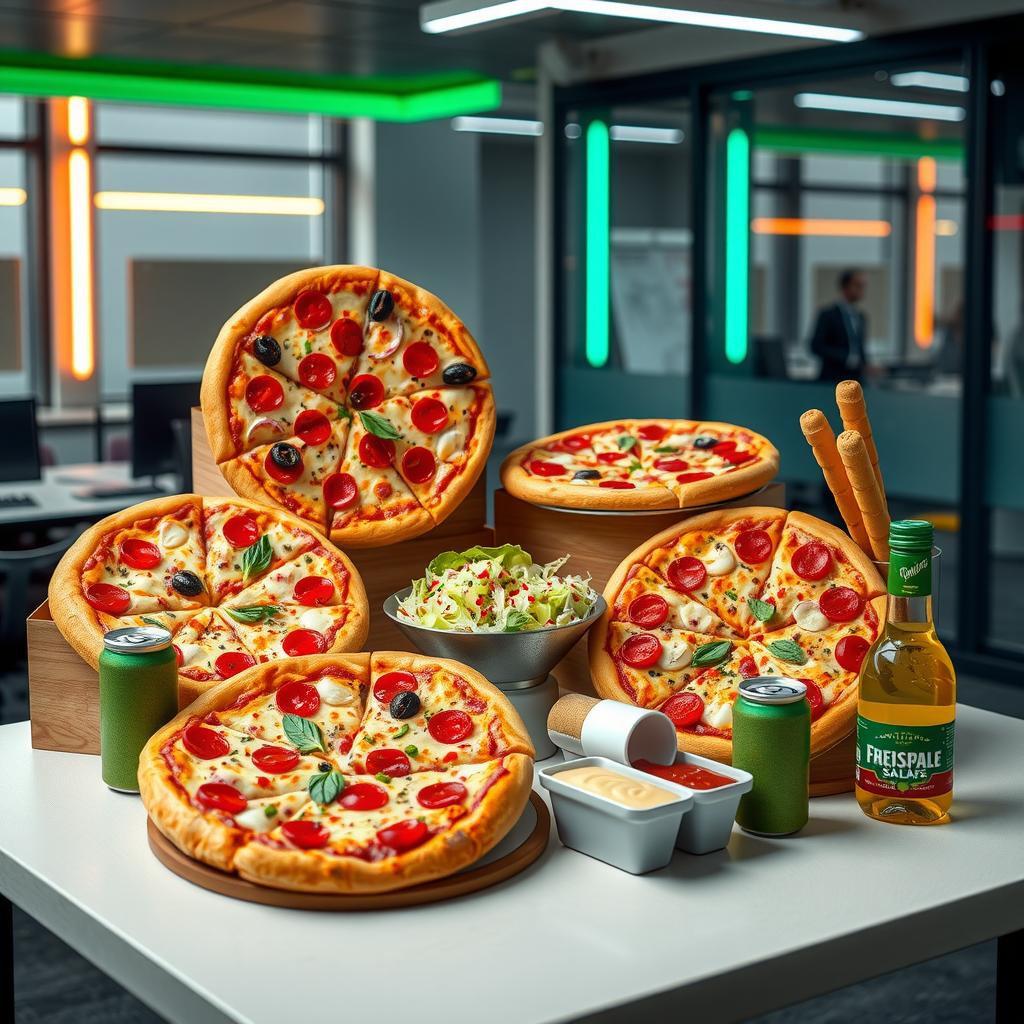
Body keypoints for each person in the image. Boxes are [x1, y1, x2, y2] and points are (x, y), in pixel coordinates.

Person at [810, 269, 874, 382]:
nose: (862, 290)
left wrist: (866, 365)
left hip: (856, 380)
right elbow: (816, 346)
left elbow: (859, 347)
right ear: (846, 286)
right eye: (858, 285)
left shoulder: (861, 317)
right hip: (833, 379)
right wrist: (847, 359)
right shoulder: (828, 315)